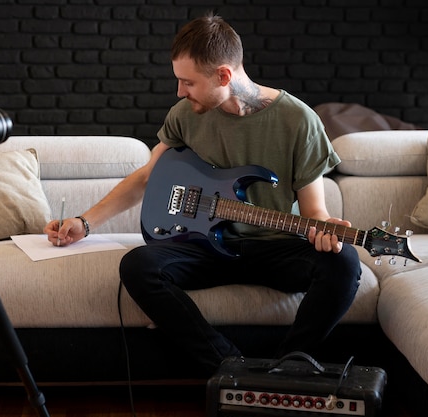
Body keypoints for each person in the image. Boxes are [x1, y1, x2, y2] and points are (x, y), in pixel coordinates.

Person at [44, 12, 361, 375]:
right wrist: (84, 223)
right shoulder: (186, 115)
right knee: (138, 266)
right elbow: (148, 176)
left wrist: (326, 233)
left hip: (275, 247)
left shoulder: (299, 121)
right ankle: (229, 367)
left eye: (188, 82)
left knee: (344, 262)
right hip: (208, 247)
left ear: (223, 75)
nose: (180, 91)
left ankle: (287, 368)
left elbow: (314, 211)